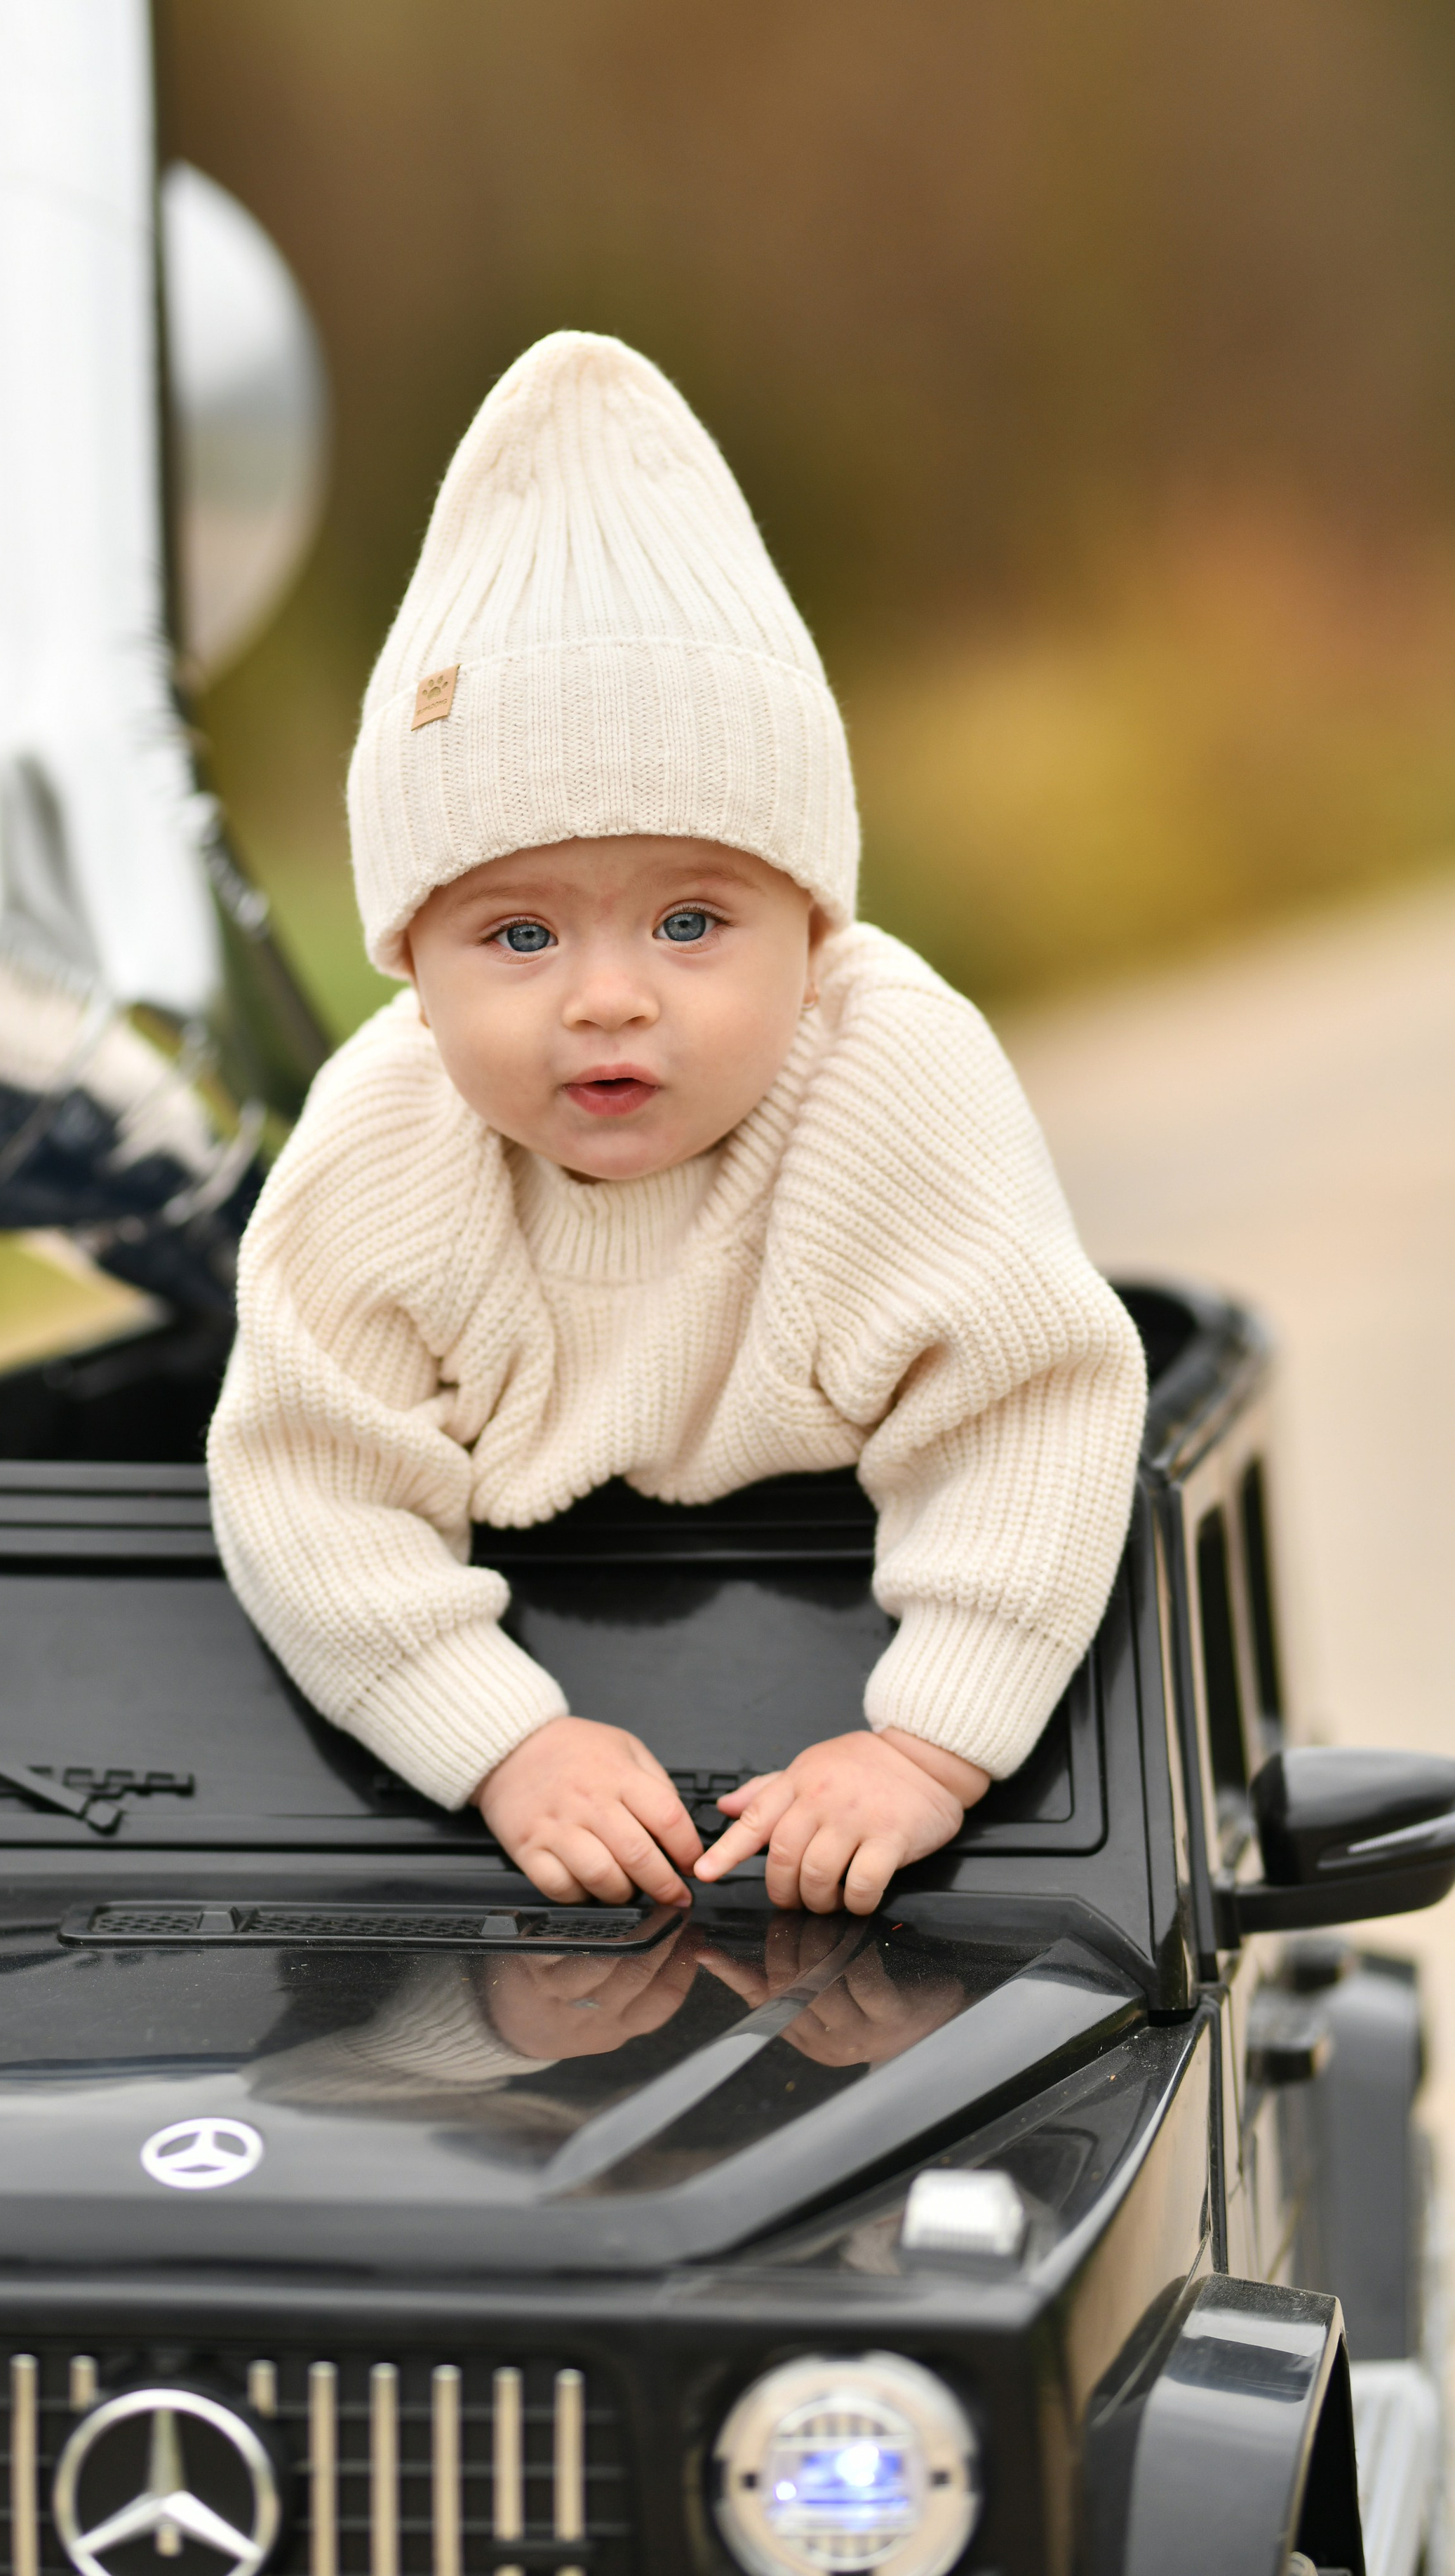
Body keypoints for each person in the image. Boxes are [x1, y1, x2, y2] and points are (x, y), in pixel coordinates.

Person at [208, 331, 1146, 1917]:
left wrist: (927, 1747)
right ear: (410, 969)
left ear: (813, 924)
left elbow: (1031, 1415)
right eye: (516, 936)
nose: (607, 999)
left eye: (692, 921)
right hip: (546, 1662)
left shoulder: (887, 1083)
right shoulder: (384, 1142)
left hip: (839, 1636)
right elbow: (308, 1479)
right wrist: (498, 1740)